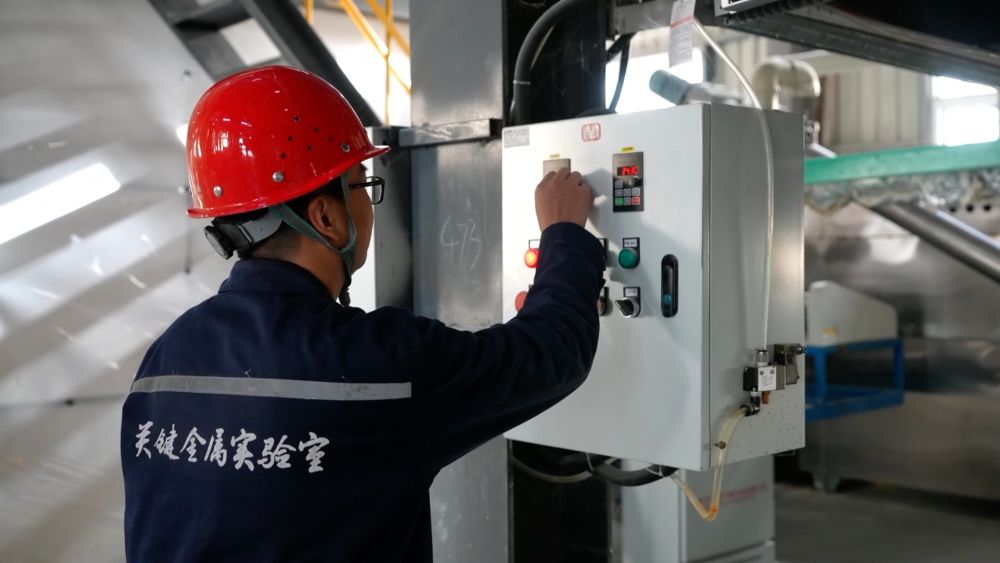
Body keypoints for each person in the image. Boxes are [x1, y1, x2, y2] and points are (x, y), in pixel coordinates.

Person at [120, 65, 604, 562]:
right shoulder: (377, 364)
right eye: (362, 185)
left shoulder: (165, 360)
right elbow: (550, 352)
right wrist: (564, 234)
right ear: (326, 217)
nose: (370, 204)